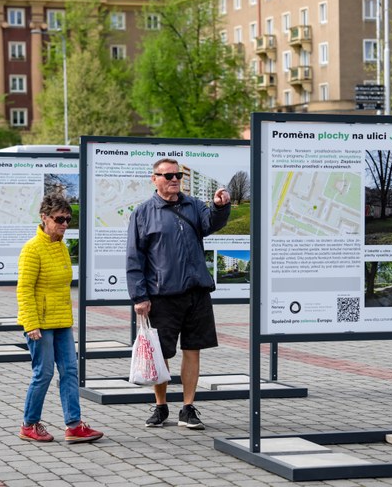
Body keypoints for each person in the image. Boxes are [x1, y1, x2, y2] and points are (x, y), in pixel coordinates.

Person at [126, 158, 231, 430]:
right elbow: (134, 258)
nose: (174, 179)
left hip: (197, 292)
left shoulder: (194, 205)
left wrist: (220, 207)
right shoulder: (143, 213)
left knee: (193, 349)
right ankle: (161, 406)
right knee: (161, 353)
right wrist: (139, 296)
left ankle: (188, 408)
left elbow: (211, 224)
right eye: (168, 175)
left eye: (178, 175)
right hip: (162, 295)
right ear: (155, 179)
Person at [17, 194, 104, 444]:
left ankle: (74, 426)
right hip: (40, 324)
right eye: (59, 219)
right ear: (44, 218)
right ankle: (29, 424)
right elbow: (24, 289)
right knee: (43, 373)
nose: (65, 224)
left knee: (70, 371)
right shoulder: (32, 248)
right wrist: (31, 324)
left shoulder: (61, 247)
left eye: (68, 219)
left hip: (62, 321)